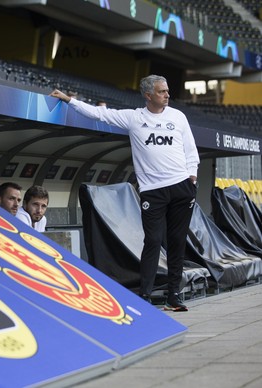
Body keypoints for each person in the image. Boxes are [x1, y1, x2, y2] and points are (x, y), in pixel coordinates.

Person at [50, 74, 199, 312]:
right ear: (148, 95)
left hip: (181, 186)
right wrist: (69, 100)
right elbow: (99, 114)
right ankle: (146, 294)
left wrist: (192, 177)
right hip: (153, 191)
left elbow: (190, 150)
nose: (167, 95)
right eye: (162, 92)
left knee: (177, 242)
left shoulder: (178, 117)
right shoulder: (134, 117)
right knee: (152, 241)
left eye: (167, 91)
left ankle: (174, 294)